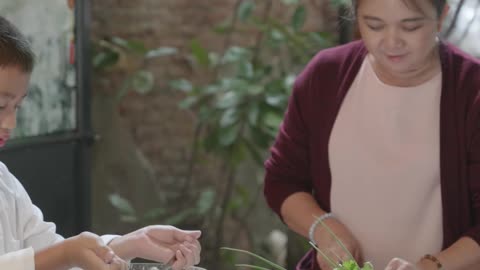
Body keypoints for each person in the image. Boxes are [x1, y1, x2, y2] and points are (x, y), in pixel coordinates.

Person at [263, 0, 480, 269]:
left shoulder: (471, 92)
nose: (391, 43)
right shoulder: (326, 75)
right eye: (374, 25)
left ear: (441, 16)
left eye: (410, 27)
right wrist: (323, 229)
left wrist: (434, 265)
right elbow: (283, 181)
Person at [0, 15, 202, 270]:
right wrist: (66, 254)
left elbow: (47, 257)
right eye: (1, 106)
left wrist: (130, 244)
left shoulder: (5, 184)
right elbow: (56, 257)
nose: (10, 123)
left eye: (17, 106)